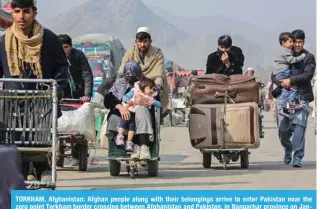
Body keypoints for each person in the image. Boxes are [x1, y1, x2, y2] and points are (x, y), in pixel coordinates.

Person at [0, 0, 69, 179]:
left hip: (42, 103)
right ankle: (23, 177)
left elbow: (62, 67)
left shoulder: (50, 39)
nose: (21, 16)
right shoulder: (3, 41)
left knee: (41, 143)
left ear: (35, 13)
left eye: (26, 11)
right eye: (16, 11)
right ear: (12, 13)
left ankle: (40, 172)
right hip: (13, 105)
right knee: (16, 146)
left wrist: (59, 88)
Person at [272, 29, 315, 168]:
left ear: (303, 42)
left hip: (301, 97)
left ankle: (297, 157)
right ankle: (288, 148)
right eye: (295, 41)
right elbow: (274, 75)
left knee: (299, 129)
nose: (297, 44)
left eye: (300, 42)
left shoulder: (308, 57)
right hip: (287, 99)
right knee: (283, 130)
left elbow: (307, 76)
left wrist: (290, 80)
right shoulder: (285, 54)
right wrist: (281, 82)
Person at [105, 61, 156, 160]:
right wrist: (120, 106)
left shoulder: (146, 82)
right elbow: (109, 98)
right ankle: (120, 142)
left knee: (141, 110)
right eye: (128, 74)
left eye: (133, 74)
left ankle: (143, 145)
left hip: (141, 110)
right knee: (114, 118)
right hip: (123, 110)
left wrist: (144, 100)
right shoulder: (119, 83)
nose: (131, 76)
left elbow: (155, 94)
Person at [119, 27, 169, 115]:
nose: (142, 44)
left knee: (153, 102)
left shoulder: (157, 53)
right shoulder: (130, 53)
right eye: (140, 42)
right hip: (133, 87)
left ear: (150, 41)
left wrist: (153, 89)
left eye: (145, 41)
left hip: (151, 87)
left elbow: (159, 75)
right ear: (136, 42)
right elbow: (122, 70)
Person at [116, 77, 161, 155]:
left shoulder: (150, 98)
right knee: (125, 121)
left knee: (133, 126)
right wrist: (127, 101)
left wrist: (152, 102)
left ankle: (132, 143)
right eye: (149, 88)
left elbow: (159, 104)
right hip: (130, 112)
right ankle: (120, 136)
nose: (151, 90)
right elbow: (124, 98)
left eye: (152, 89)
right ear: (143, 87)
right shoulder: (134, 91)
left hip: (140, 117)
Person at [272, 32, 306, 117]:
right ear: (283, 42)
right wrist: (302, 56)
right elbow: (291, 60)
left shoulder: (280, 50)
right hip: (284, 72)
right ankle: (283, 107)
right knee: (290, 88)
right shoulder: (286, 51)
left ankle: (289, 104)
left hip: (279, 72)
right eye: (290, 41)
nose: (292, 44)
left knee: (289, 89)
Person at [58, 34, 93, 102]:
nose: (63, 50)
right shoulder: (54, 57)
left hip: (79, 93)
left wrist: (87, 95)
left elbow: (87, 75)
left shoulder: (79, 56)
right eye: (61, 47)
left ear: (71, 46)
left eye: (66, 47)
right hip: (62, 93)